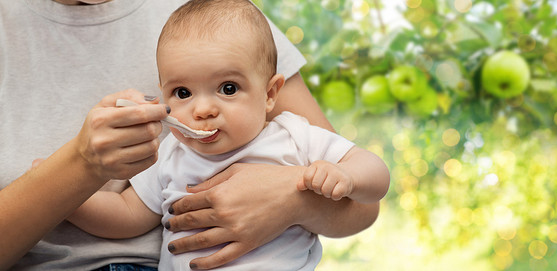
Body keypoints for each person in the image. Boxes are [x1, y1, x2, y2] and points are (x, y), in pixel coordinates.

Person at [0, 0, 385, 270]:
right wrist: (67, 186)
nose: (202, 109)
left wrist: (335, 181)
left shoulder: (293, 136)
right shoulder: (171, 154)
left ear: (270, 94)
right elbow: (129, 214)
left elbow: (369, 182)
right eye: (182, 94)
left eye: (228, 89)